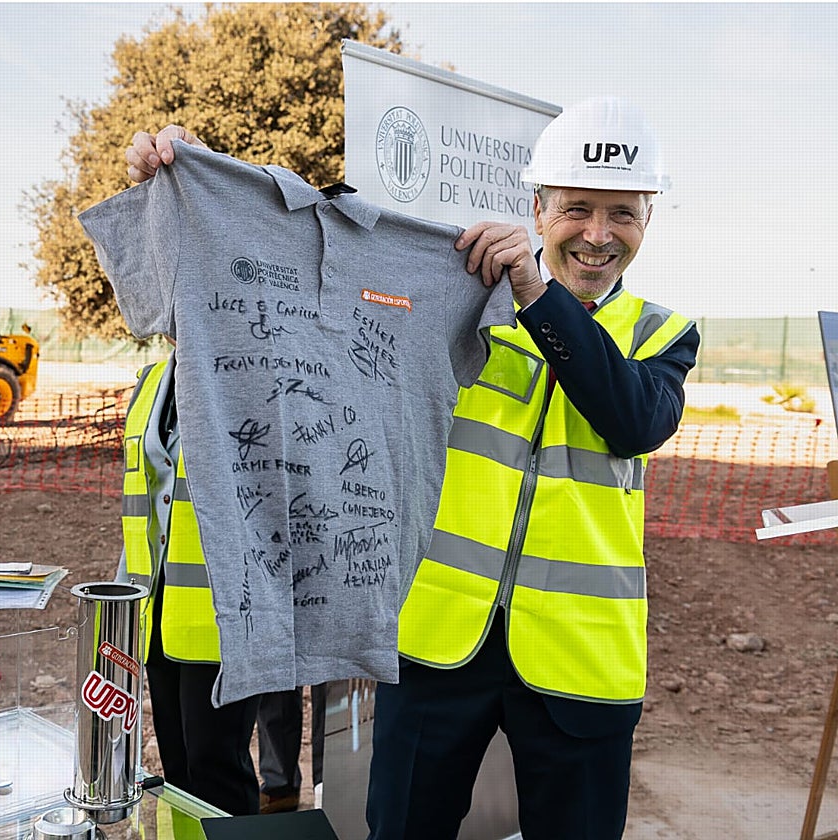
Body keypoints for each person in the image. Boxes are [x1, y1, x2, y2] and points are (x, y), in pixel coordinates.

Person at [121, 96, 699, 840]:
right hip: (435, 644)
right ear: (539, 207)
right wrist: (199, 185)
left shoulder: (662, 334)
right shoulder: (462, 302)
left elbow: (633, 421)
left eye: (621, 213)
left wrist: (534, 292)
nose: (596, 234)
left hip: (580, 660)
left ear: (648, 218)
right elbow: (307, 282)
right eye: (577, 208)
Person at [119, 352, 316, 817]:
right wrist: (124, 595)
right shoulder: (150, 383)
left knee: (216, 768)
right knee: (179, 767)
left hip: (228, 612)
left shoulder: (255, 380)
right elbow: (143, 498)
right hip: (160, 606)